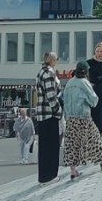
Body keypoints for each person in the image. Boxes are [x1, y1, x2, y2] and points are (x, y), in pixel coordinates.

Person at [61, 60, 102, 180]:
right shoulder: (84, 82)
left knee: (72, 144)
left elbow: (64, 100)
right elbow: (94, 100)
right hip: (83, 117)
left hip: (71, 118)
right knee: (94, 139)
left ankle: (73, 171)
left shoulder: (69, 83)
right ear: (86, 72)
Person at [34, 51, 64, 184]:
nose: (57, 62)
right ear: (52, 60)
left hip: (42, 114)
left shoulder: (41, 72)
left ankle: (44, 176)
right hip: (49, 114)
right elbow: (51, 95)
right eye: (56, 59)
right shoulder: (49, 73)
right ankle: (49, 176)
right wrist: (58, 110)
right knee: (51, 147)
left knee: (44, 147)